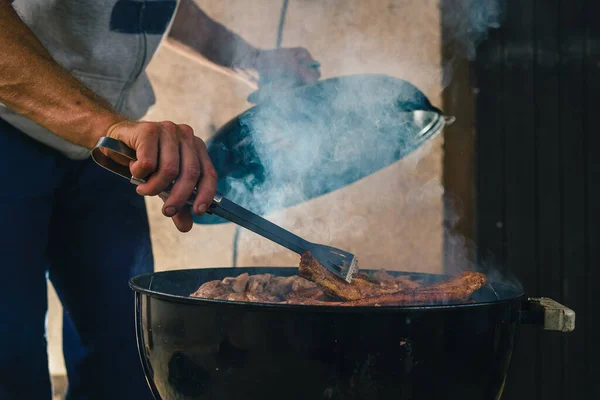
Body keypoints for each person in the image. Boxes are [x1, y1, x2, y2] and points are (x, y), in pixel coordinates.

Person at [0, 0, 320, 399]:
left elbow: (163, 8)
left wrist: (252, 60)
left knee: (125, 350)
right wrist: (110, 127)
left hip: (104, 151)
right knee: (9, 354)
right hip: (13, 129)